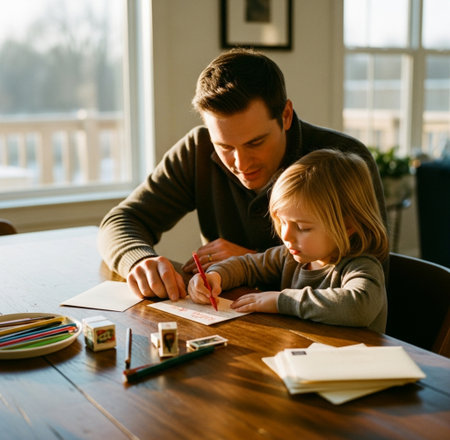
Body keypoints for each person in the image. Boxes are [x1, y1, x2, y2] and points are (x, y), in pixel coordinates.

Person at [98, 48, 387, 301]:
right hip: (229, 320)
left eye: (255, 143)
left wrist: (252, 261)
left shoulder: (344, 161)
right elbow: (121, 220)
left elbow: (368, 280)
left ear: (286, 116)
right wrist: (140, 260)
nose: (240, 163)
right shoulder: (197, 149)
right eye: (224, 146)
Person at [188, 149, 389, 333]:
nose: (286, 236)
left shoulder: (361, 267)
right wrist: (215, 277)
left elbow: (359, 306)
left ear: (347, 227)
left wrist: (280, 301)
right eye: (282, 222)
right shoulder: (290, 256)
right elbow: (248, 265)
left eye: (302, 227)